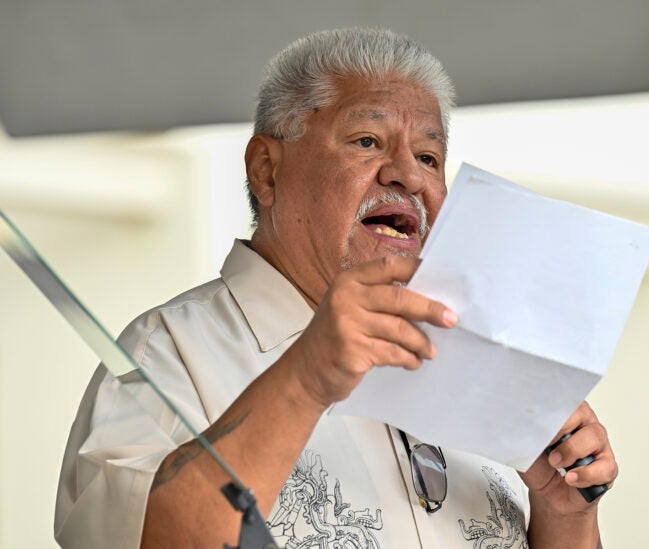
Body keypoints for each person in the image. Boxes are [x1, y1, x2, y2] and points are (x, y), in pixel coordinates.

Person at [55, 28, 617, 548]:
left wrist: (564, 516)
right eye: (368, 141)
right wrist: (306, 377)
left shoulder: (474, 360)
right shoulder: (168, 353)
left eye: (429, 156)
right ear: (266, 171)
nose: (409, 176)